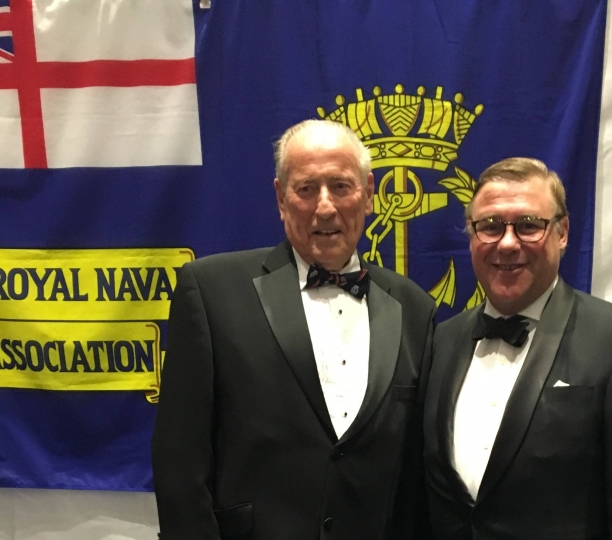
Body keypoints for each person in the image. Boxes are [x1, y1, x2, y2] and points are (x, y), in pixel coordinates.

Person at [152, 119, 436, 540]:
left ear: (370, 193)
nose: (325, 207)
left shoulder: (414, 308)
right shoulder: (211, 291)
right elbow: (179, 461)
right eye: (306, 189)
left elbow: (415, 475)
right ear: (281, 199)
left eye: (341, 186)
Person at [423, 157, 612, 539]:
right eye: (490, 226)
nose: (507, 243)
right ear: (472, 237)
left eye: (528, 226)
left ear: (562, 233)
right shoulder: (442, 341)